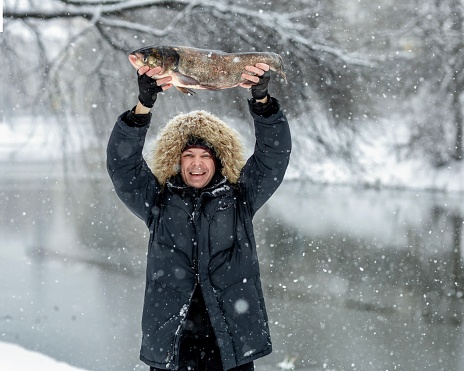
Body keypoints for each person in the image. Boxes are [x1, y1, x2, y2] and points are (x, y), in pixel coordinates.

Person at [106, 54, 292, 371]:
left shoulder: (240, 198)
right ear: (176, 160)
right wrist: (142, 108)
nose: (196, 164)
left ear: (218, 160)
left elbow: (272, 156)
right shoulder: (158, 202)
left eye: (204, 156)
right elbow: (123, 166)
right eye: (188, 155)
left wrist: (261, 102)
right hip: (172, 347)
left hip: (230, 345)